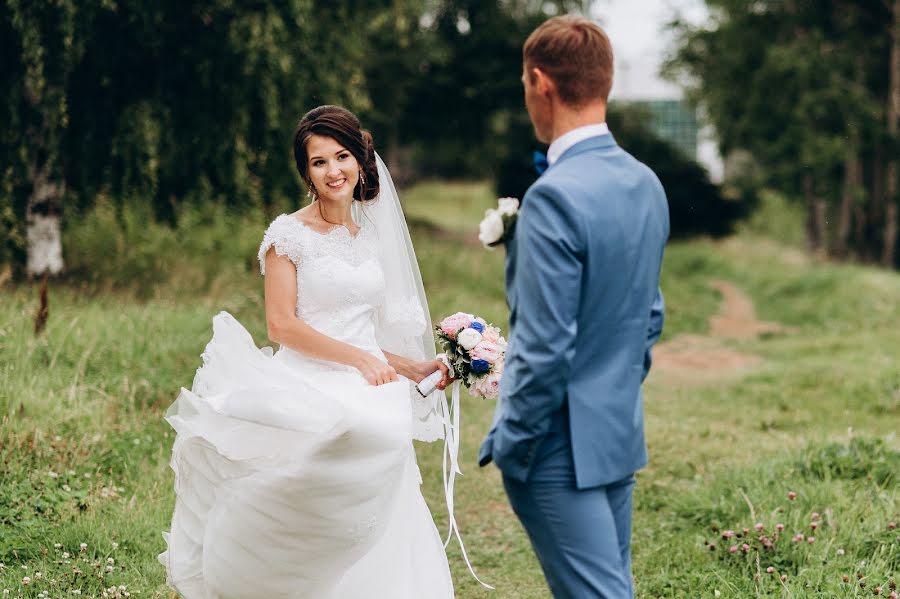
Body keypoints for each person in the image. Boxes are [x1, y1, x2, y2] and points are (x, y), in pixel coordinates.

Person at [158, 105, 456, 599]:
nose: (333, 171)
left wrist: (411, 366)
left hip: (367, 385)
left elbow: (360, 332)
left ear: (361, 161)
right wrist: (358, 361)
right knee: (317, 481)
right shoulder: (287, 236)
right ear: (306, 173)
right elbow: (282, 325)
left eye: (341, 157)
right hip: (309, 380)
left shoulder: (368, 237)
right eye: (319, 162)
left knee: (384, 463)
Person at [478, 15, 669, 599]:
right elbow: (650, 317)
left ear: (542, 84)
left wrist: (514, 446)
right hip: (616, 435)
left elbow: (544, 348)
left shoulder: (554, 199)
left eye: (523, 86)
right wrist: (611, 394)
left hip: (557, 452)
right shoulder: (645, 183)